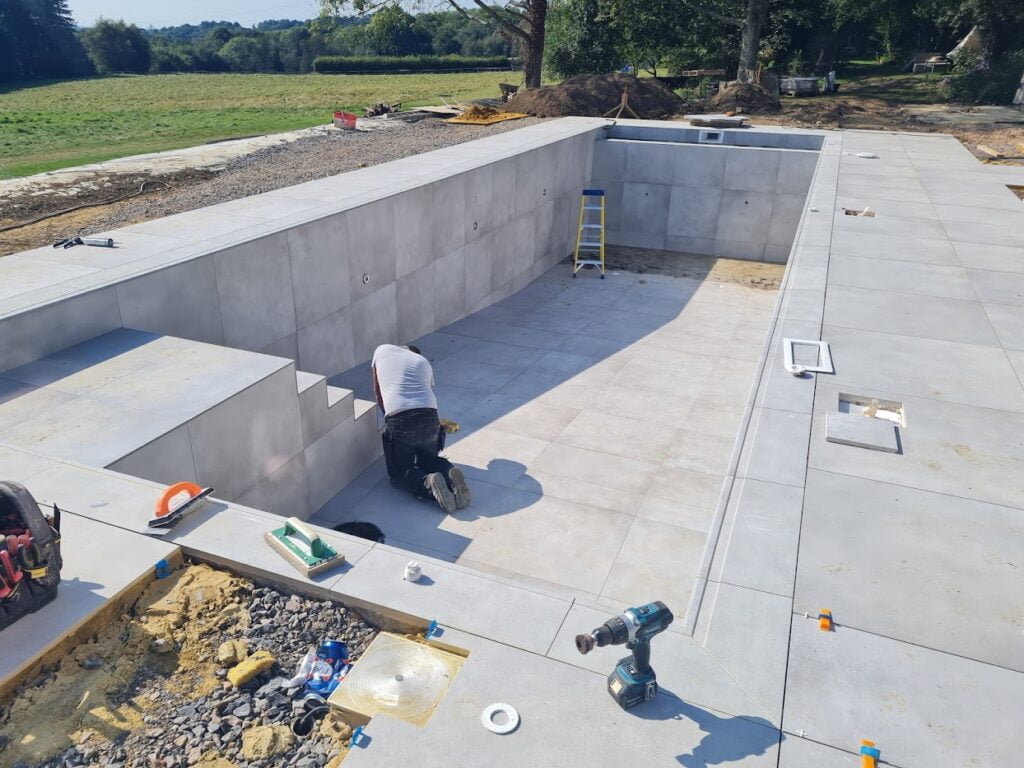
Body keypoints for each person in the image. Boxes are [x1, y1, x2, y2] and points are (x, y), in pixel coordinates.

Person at [371, 344, 470, 513]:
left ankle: (429, 484)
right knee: (429, 460)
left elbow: (377, 391)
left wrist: (390, 420)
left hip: (400, 419)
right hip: (431, 418)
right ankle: (449, 474)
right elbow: (425, 394)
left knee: (399, 474)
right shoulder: (423, 362)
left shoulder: (382, 350)